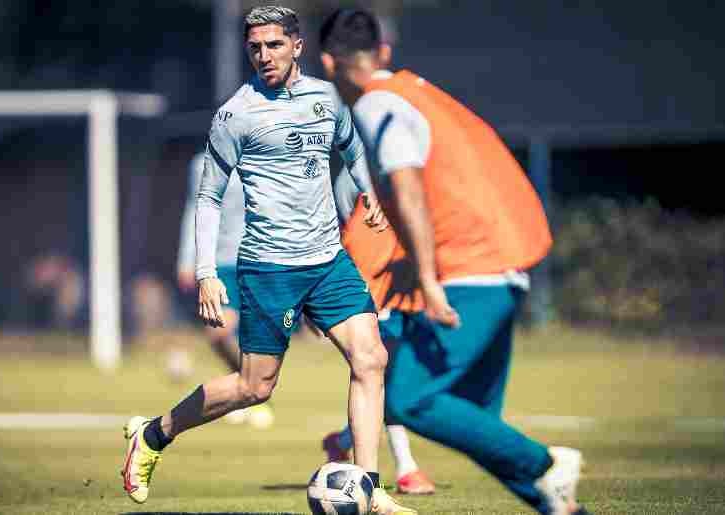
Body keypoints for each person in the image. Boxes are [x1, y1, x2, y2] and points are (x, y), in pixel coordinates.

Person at [120, 7, 415, 514]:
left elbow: (352, 149)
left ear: (297, 46)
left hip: (327, 261)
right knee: (254, 388)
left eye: (274, 45)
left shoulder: (328, 98)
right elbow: (209, 197)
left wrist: (368, 195)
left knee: (371, 358)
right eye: (255, 47)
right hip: (269, 267)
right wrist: (207, 272)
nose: (264, 55)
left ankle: (369, 487)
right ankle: (153, 434)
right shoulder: (235, 115)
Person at [318, 9, 589, 515]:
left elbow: (408, 186)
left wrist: (426, 277)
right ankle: (560, 506)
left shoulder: (378, 105)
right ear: (384, 53)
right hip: (505, 266)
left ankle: (547, 465)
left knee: (410, 399)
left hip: (471, 268)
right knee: (479, 420)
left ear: (329, 62)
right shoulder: (420, 93)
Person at [321, 170, 436, 496]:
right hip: (369, 285)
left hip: (406, 282)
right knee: (386, 375)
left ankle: (342, 440)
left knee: (398, 376)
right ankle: (406, 468)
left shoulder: (413, 161)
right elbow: (342, 228)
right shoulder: (352, 173)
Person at [176, 150, 274, 428]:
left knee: (250, 333)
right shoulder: (201, 164)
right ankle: (245, 386)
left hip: (257, 257)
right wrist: (187, 258)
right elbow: (194, 210)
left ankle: (249, 390)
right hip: (219, 262)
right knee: (218, 334)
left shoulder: (264, 155)